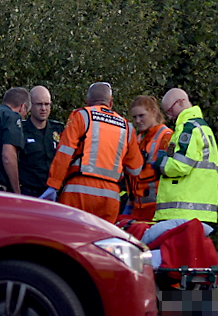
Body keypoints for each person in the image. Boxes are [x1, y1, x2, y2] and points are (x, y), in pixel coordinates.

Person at [43, 82, 143, 224]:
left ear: (88, 102)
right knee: (102, 237)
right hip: (110, 197)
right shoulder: (127, 127)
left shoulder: (81, 116)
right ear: (111, 102)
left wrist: (54, 184)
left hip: (78, 191)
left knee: (70, 234)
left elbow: (64, 153)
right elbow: (135, 169)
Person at [153, 88, 218, 224]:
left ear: (181, 102)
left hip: (183, 211)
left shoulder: (188, 129)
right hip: (200, 210)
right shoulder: (203, 128)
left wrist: (160, 163)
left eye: (170, 110)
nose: (169, 116)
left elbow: (180, 165)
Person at [126, 95, 173, 222]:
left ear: (153, 112)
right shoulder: (139, 137)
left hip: (157, 208)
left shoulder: (166, 136)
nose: (137, 121)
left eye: (141, 116)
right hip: (138, 206)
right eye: (134, 117)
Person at [18, 86, 64, 197]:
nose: (43, 108)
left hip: (54, 192)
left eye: (47, 104)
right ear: (30, 106)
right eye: (39, 104)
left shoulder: (59, 129)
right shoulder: (20, 130)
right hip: (29, 192)